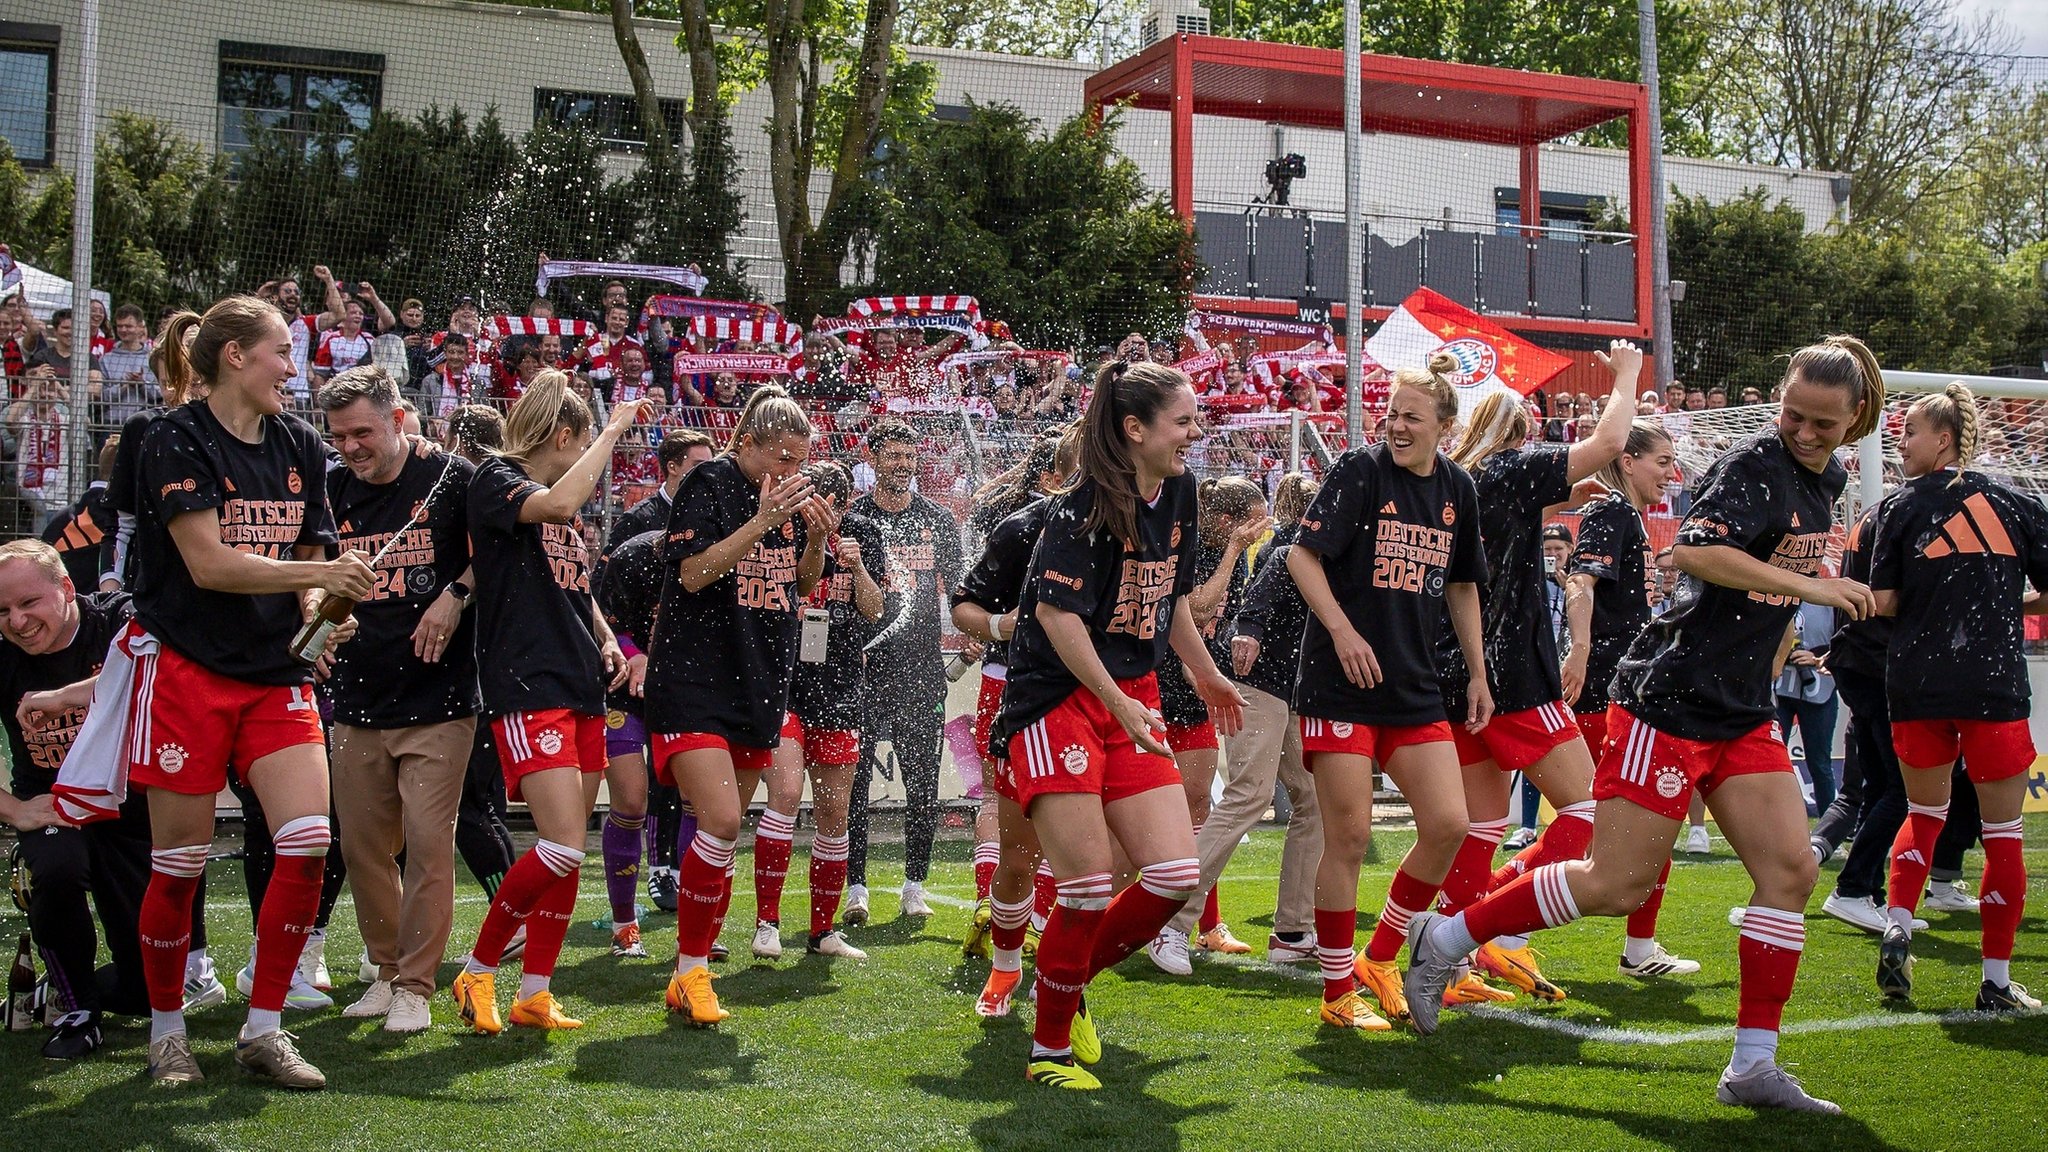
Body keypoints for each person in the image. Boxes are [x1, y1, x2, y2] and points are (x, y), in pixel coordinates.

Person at [1407, 335, 1888, 1115]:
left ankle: (1753, 1067)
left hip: (1741, 709)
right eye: (1794, 416)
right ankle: (1445, 939)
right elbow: (1697, 553)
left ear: (1857, 417)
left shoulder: (1826, 479)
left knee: (1792, 872)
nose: (1803, 433)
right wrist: (1816, 586)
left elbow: (1764, 590)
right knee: (1613, 882)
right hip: (1670, 700)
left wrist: (1787, 635)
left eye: (1822, 425)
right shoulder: (1754, 467)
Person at [114, 295, 375, 1088]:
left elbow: (305, 561)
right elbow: (210, 565)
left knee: (307, 843)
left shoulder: (298, 442)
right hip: (188, 672)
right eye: (282, 355)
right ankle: (168, 1037)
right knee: (180, 863)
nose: (294, 372)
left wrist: (321, 616)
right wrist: (320, 575)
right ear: (235, 357)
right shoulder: (171, 438)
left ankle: (262, 1029)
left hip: (273, 677)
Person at [995, 360, 1243, 1090]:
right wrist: (1118, 701)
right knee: (1086, 885)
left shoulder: (1184, 493)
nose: (1195, 435)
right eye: (1184, 423)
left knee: (1173, 874)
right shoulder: (1078, 510)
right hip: (1057, 701)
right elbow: (1054, 617)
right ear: (1135, 430)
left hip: (1128, 693)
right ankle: (1048, 1054)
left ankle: (1057, 983)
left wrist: (1202, 671)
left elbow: (1164, 602)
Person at [1427, 343, 1643, 1005]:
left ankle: (1456, 959)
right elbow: (1609, 441)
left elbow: (1542, 510)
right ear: (1521, 434)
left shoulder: (1459, 479)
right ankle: (1485, 921)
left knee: (1482, 824)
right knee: (1592, 814)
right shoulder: (1514, 471)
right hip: (1513, 674)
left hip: (1459, 672)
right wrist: (1628, 375)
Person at [1284, 351, 1491, 1033]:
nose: (1395, 425)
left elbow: (1462, 585)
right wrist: (1342, 631)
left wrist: (1479, 673)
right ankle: (1339, 991)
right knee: (1349, 835)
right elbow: (1300, 555)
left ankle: (1381, 956)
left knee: (1448, 826)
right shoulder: (1359, 471)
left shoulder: (1459, 487)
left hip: (1415, 685)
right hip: (1338, 686)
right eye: (1392, 413)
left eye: (1411, 417)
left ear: (1446, 427)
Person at [448, 373, 642, 1036]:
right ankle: (476, 972)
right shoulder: (496, 477)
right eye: (585, 439)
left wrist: (605, 635)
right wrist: (614, 430)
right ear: (566, 436)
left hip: (578, 681)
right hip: (529, 685)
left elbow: (571, 582)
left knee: (570, 851)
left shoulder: (557, 500)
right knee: (558, 846)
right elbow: (557, 506)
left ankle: (535, 991)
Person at [644, 385, 826, 1026]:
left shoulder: (784, 499)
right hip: (696, 682)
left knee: (725, 829)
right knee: (721, 819)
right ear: (746, 443)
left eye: (801, 461)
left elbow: (798, 589)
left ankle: (691, 961)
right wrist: (763, 522)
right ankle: (689, 967)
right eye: (782, 457)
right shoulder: (710, 483)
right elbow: (691, 573)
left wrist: (813, 544)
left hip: (759, 679)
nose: (792, 473)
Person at [0, 541, 220, 1059]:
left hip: (133, 808)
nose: (17, 621)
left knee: (150, 990)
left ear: (65, 588)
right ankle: (77, 1008)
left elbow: (166, 670)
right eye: (3, 610)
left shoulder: (119, 620)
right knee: (54, 869)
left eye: (28, 603)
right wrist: (14, 811)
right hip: (57, 808)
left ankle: (53, 989)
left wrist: (62, 697)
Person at [1868, 381, 2047, 1013]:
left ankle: (1896, 926)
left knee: (1924, 816)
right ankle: (1995, 981)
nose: (1900, 439)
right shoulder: (2017, 504)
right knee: (2003, 832)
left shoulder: (1896, 507)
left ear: (1943, 438)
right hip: (1993, 686)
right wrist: (2009, 602)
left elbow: (1884, 601)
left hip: (1915, 684)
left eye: (1910, 429)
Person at [317, 367, 478, 1033]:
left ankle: (416, 984)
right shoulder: (329, 489)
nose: (351, 447)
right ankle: (384, 972)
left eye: (363, 432)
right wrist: (319, 621)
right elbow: (312, 568)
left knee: (427, 844)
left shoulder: (453, 479)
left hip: (438, 698)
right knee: (361, 848)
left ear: (400, 419)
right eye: (339, 436)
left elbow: (502, 552)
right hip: (356, 697)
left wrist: (455, 592)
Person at [1560, 420, 1700, 977]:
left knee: (1646, 820)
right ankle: (1490, 928)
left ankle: (1640, 949)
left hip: (1625, 691)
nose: (1672, 473)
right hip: (1604, 693)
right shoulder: (1612, 512)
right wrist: (1580, 647)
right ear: (1627, 461)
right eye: (1662, 461)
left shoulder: (1631, 521)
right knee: (1585, 824)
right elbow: (1580, 582)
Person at [951, 431, 1079, 1013]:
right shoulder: (1022, 526)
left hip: (1101, 696)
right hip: (1018, 688)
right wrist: (1007, 628)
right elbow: (965, 607)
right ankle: (1006, 933)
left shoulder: (1143, 525)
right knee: (1016, 823)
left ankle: (1047, 928)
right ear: (1054, 479)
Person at [1146, 476, 1271, 974]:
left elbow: (1223, 615)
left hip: (1198, 688)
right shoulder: (1187, 541)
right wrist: (1233, 551)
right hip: (1158, 686)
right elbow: (1195, 606)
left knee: (1202, 802)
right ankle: (1097, 914)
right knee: (1149, 812)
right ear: (1225, 521)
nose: (1259, 532)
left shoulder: (1237, 553)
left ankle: (1206, 922)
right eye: (1250, 521)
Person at [846, 421, 963, 923]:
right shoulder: (854, 520)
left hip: (922, 670)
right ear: (872, 459)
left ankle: (915, 884)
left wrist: (973, 636)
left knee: (923, 783)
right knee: (853, 785)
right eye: (893, 455)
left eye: (909, 456)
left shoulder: (937, 520)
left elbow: (960, 589)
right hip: (866, 670)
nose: (903, 465)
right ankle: (856, 886)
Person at [773, 460, 886, 960]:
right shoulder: (781, 528)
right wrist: (816, 541)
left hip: (840, 685)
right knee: (784, 796)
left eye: (834, 502)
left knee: (835, 813)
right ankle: (766, 924)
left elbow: (876, 610)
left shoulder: (863, 533)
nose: (825, 511)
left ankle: (822, 933)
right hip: (784, 684)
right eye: (815, 499)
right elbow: (795, 588)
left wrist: (859, 565)